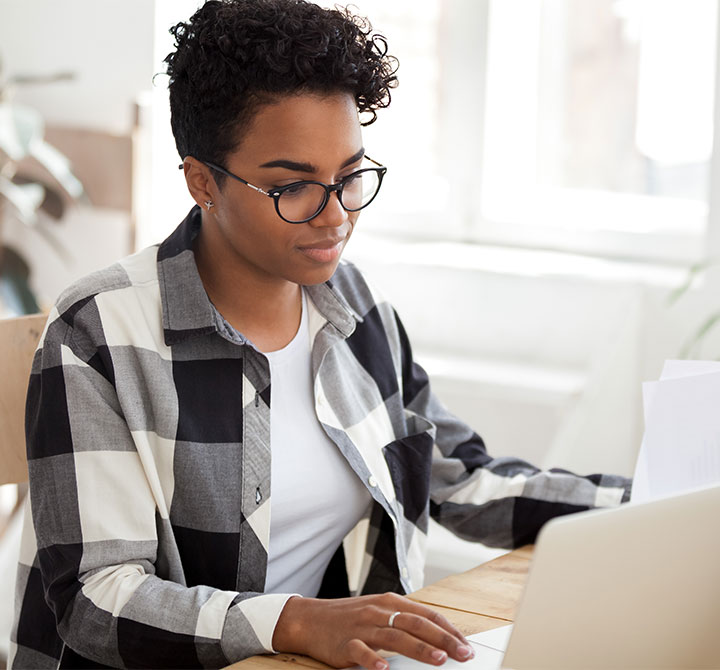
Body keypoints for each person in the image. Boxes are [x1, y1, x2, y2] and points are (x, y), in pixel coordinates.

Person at [10, 1, 632, 668]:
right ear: (202, 182)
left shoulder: (353, 305)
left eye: (349, 177)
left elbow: (454, 480)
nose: (335, 215)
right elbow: (97, 600)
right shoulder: (97, 333)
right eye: (293, 186)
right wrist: (298, 624)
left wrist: (647, 499)